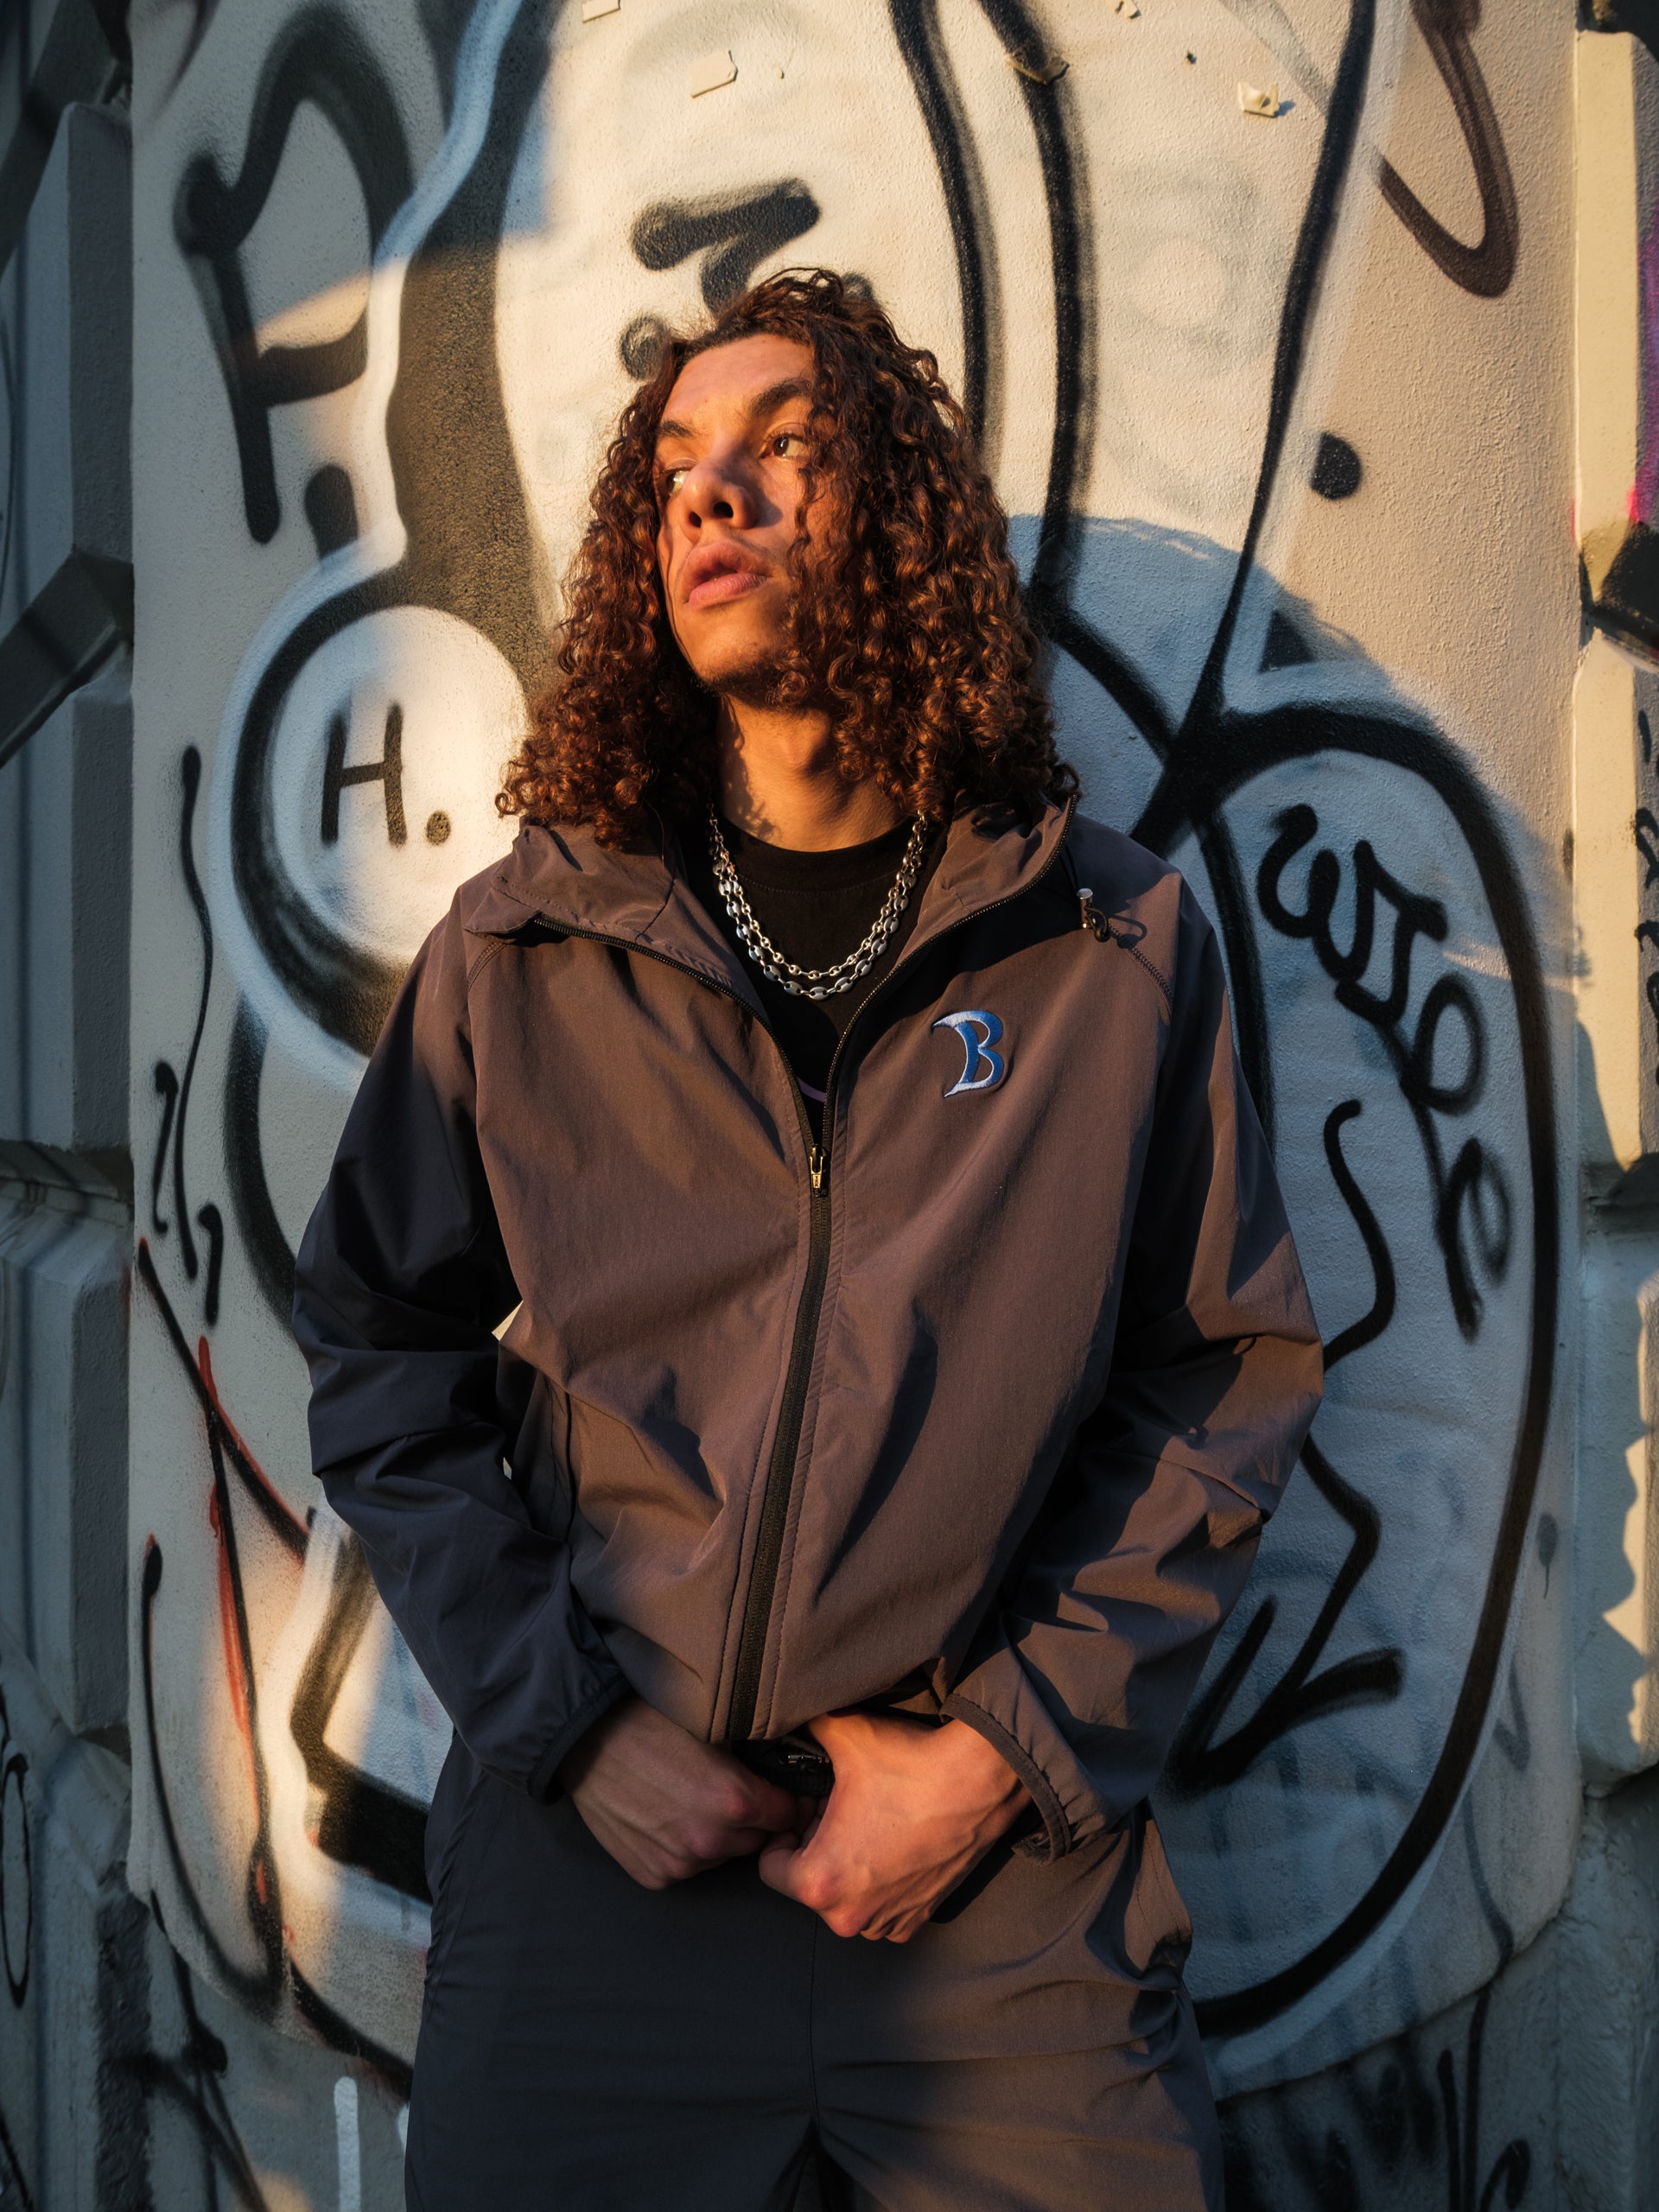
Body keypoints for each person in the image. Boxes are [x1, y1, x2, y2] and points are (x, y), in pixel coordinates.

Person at [293, 268, 1323, 2212]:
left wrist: (998, 1756)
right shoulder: (529, 947)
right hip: (602, 1888)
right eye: (678, 466)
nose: (714, 493)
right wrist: (577, 1732)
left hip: (1002, 1905)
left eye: (786, 450)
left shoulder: (1104, 946)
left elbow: (1224, 1373)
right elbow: (376, 1346)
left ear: (904, 525)